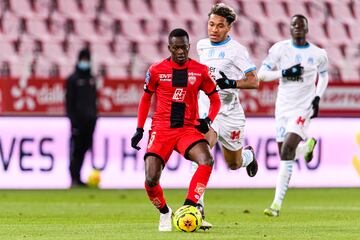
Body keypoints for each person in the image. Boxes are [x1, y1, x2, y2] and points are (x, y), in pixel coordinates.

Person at [130, 28, 221, 232]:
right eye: (176, 47)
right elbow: (146, 99)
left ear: (189, 46)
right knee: (151, 179)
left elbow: (215, 99)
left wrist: (208, 119)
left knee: (207, 160)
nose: (181, 51)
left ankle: (190, 206)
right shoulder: (156, 70)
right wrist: (139, 128)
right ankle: (164, 212)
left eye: (184, 47)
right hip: (161, 129)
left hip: (187, 129)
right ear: (169, 47)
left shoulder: (200, 71)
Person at [194, 3, 260, 228]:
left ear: (229, 27)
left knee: (234, 164)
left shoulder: (237, 51)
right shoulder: (202, 45)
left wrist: (231, 83)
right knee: (201, 150)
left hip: (230, 113)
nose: (213, 29)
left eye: (220, 26)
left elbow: (254, 81)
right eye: (211, 24)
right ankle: (196, 206)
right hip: (207, 111)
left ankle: (248, 157)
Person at [258, 14, 329, 217]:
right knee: (284, 152)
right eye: (294, 25)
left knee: (288, 148)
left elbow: (324, 76)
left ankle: (276, 205)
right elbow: (262, 75)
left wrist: (317, 98)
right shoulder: (280, 49)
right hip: (282, 107)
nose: (297, 27)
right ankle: (306, 147)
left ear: (306, 28)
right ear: (289, 28)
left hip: (303, 107)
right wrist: (285, 73)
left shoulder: (318, 53)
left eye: (301, 25)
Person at [65, 48, 97, 187]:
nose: (85, 62)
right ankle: (74, 178)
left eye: (87, 59)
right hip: (78, 123)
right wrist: (73, 122)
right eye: (83, 59)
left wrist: (95, 118)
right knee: (76, 151)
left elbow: (94, 101)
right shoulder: (73, 79)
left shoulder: (91, 79)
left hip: (90, 122)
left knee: (84, 150)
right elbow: (69, 103)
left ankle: (78, 178)